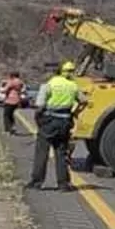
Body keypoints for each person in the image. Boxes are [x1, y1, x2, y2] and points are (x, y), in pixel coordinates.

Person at [26, 61, 87, 191]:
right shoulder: (73, 86)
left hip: (49, 121)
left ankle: (37, 182)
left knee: (42, 152)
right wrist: (74, 113)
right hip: (65, 121)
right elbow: (84, 101)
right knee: (61, 152)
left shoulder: (49, 85)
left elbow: (40, 105)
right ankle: (63, 184)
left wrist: (38, 118)